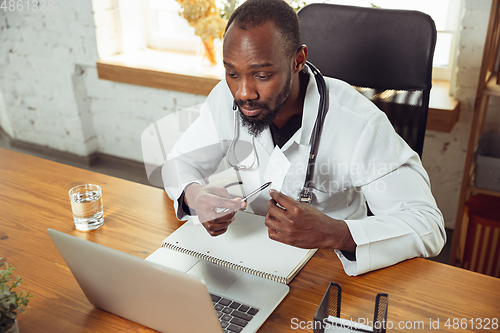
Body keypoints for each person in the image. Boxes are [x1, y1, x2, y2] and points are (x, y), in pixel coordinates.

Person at [162, 0, 446, 276]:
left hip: (327, 265)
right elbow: (179, 162)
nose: (244, 92)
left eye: (261, 75)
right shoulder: (229, 97)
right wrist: (195, 195)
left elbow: (427, 224)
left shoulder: (359, 123)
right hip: (249, 256)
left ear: (298, 61)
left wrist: (335, 233)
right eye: (232, 73)